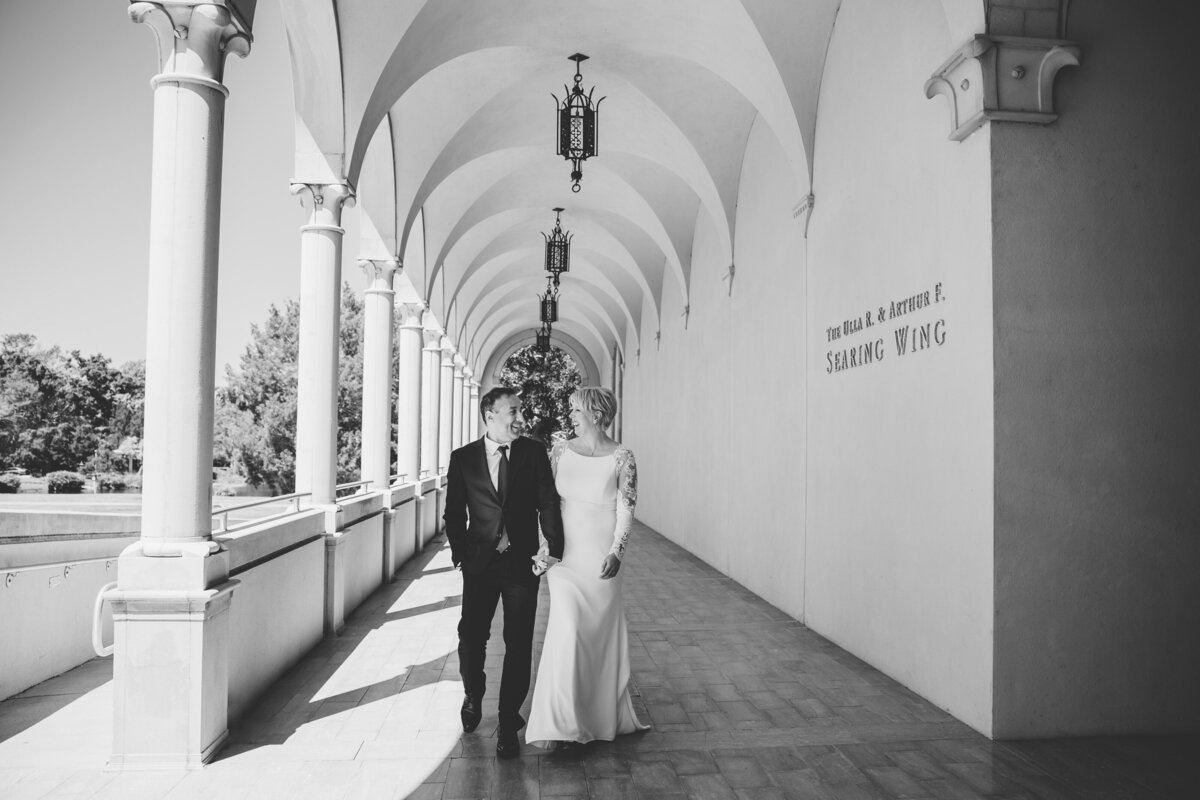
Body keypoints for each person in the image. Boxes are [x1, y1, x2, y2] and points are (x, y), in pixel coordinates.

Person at [525, 386, 650, 748]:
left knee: (596, 636)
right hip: (564, 558)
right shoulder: (560, 451)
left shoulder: (623, 458)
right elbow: (545, 503)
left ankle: (596, 715)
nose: (571, 417)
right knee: (567, 630)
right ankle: (561, 725)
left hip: (601, 558)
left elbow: (626, 510)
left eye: (576, 411)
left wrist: (617, 552)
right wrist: (544, 546)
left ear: (596, 414)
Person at [444, 386, 564, 759]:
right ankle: (473, 692)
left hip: (521, 563)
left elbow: (547, 501)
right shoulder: (463, 459)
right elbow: (453, 512)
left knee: (519, 642)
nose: (520, 417)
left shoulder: (533, 452)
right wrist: (462, 554)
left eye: (519, 410)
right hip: (480, 565)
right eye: (512, 410)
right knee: (471, 638)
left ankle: (509, 722)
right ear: (490, 415)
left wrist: (553, 548)